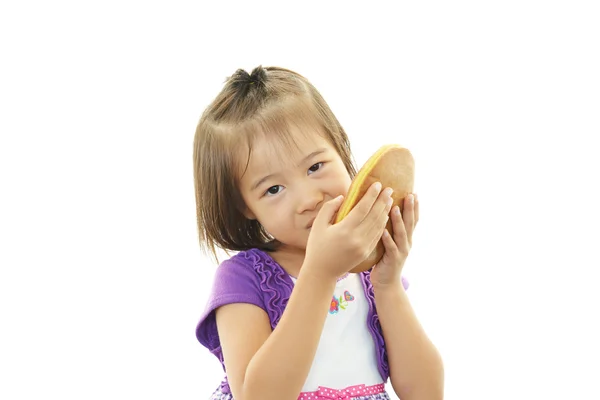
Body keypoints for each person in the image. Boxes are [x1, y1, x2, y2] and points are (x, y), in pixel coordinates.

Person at [193, 66, 443, 400]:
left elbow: (426, 393)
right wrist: (320, 272)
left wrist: (387, 283)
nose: (309, 200)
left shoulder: (371, 274)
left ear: (341, 150)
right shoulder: (242, 278)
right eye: (274, 189)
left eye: (315, 167)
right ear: (245, 207)